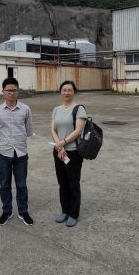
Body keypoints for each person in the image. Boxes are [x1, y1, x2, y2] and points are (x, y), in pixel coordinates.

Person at [0, 77, 34, 226]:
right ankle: (6, 211)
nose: (11, 93)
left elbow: (28, 130)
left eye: (14, 90)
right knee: (4, 184)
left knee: (21, 184)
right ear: (3, 92)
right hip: (3, 153)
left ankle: (23, 211)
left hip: (21, 153)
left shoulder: (25, 109)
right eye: (8, 90)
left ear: (18, 91)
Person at [50, 80, 87, 227]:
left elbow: (78, 131)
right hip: (59, 152)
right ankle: (64, 211)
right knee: (62, 183)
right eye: (64, 90)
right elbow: (53, 129)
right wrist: (59, 146)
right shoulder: (56, 109)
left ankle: (73, 213)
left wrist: (63, 143)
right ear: (60, 92)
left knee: (73, 183)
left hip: (73, 152)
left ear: (74, 92)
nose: (66, 92)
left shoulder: (79, 109)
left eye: (69, 90)